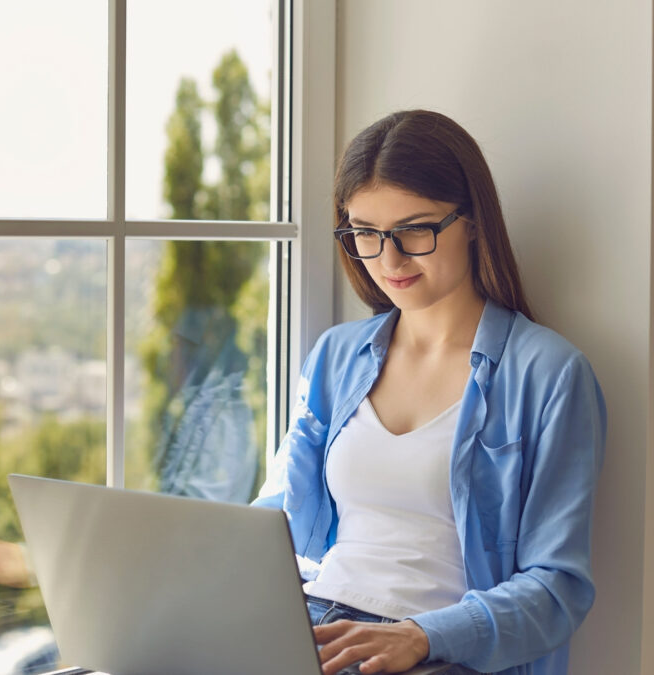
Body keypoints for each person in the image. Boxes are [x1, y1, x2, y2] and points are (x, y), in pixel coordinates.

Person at [253, 109, 606, 675]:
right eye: (365, 232)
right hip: (313, 627)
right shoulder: (335, 357)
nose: (388, 260)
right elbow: (274, 522)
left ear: (470, 220)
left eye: (414, 229)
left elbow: (557, 589)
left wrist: (421, 636)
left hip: (437, 652)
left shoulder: (548, 374)